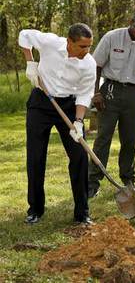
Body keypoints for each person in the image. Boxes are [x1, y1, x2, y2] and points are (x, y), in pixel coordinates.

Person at [19, 23, 96, 225]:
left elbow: (84, 93)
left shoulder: (88, 64)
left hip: (70, 106)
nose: (86, 51)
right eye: (82, 46)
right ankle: (35, 209)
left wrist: (78, 122)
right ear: (69, 42)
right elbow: (24, 35)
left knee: (79, 155)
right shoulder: (51, 42)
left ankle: (82, 213)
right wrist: (30, 63)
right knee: (36, 156)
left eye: (89, 46)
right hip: (41, 101)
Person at [88, 10, 135, 197]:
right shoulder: (112, 37)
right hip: (110, 91)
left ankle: (128, 179)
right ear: (130, 22)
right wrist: (96, 93)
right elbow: (96, 65)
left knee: (130, 140)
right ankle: (93, 181)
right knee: (103, 137)